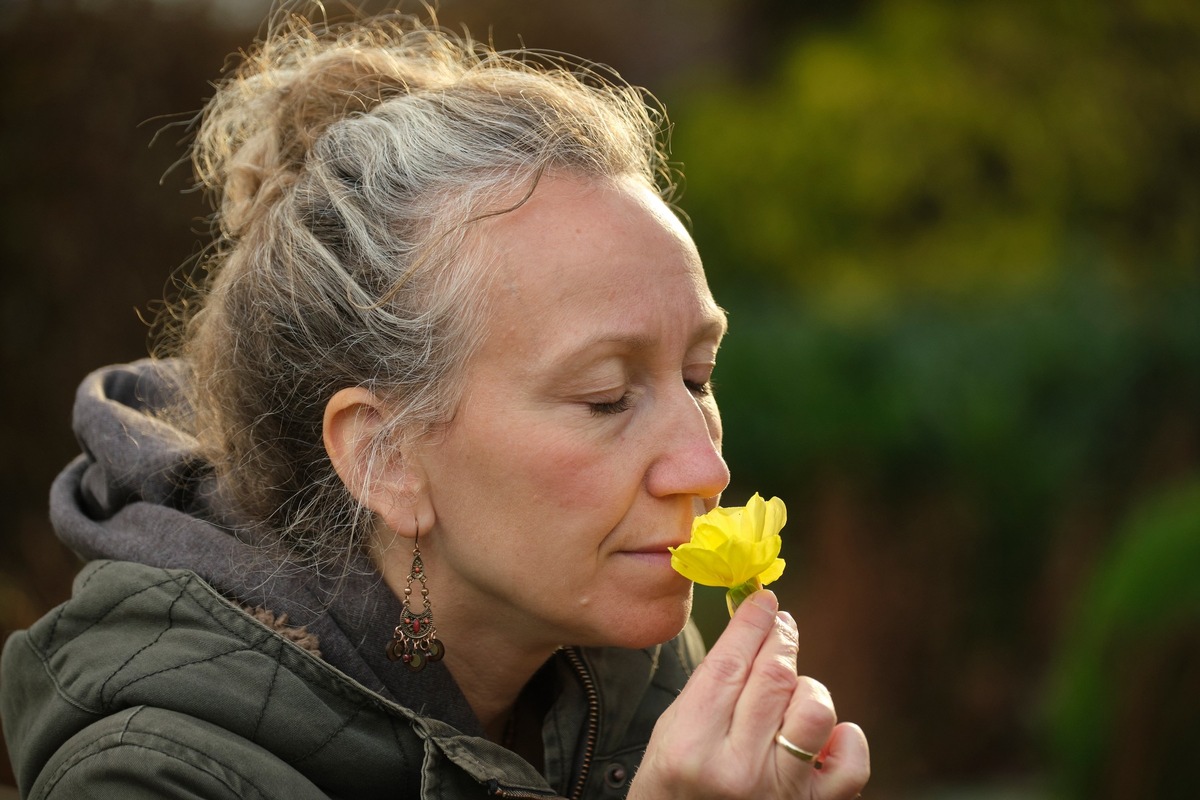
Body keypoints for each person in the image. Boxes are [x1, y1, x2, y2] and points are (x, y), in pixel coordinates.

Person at [1, 8, 869, 799]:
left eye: (697, 377)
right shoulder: (151, 777)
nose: (706, 466)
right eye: (606, 397)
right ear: (387, 458)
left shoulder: (643, 684)